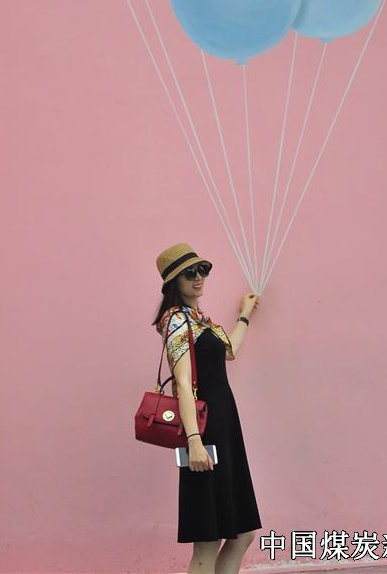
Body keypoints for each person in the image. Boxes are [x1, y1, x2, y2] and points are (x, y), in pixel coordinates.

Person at [153, 242, 262, 574]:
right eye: (190, 273)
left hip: (225, 428)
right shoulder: (176, 321)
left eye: (203, 270)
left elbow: (229, 351)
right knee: (208, 540)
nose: (198, 277)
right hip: (205, 432)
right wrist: (194, 440)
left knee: (241, 532)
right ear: (174, 282)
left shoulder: (199, 320)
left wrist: (245, 314)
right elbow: (183, 383)